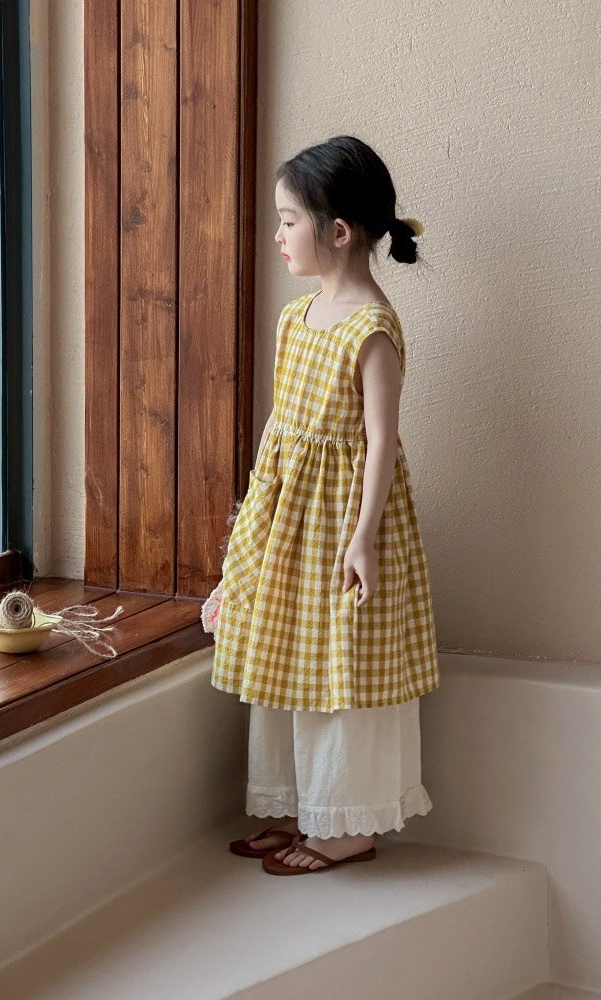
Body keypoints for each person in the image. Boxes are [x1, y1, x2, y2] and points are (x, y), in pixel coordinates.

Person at [210, 135, 439, 875]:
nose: (278, 235)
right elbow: (281, 431)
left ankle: (345, 828)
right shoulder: (296, 318)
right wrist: (253, 528)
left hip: (342, 523)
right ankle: (298, 806)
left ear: (337, 231)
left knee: (342, 668)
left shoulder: (372, 329)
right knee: (289, 656)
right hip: (292, 521)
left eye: (288, 221)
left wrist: (362, 539)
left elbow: (381, 443)